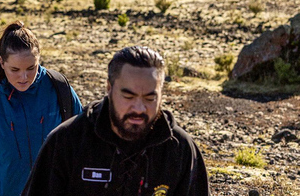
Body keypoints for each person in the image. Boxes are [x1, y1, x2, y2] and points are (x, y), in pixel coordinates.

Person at [21, 46, 211, 196]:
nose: (139, 108)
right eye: (128, 96)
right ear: (109, 88)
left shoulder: (180, 150)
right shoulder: (67, 142)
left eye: (150, 98)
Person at [0, 21, 82, 196]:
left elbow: (82, 143)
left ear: (39, 59)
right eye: (15, 69)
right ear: (2, 62)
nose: (23, 77)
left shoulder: (59, 89)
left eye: (31, 68)